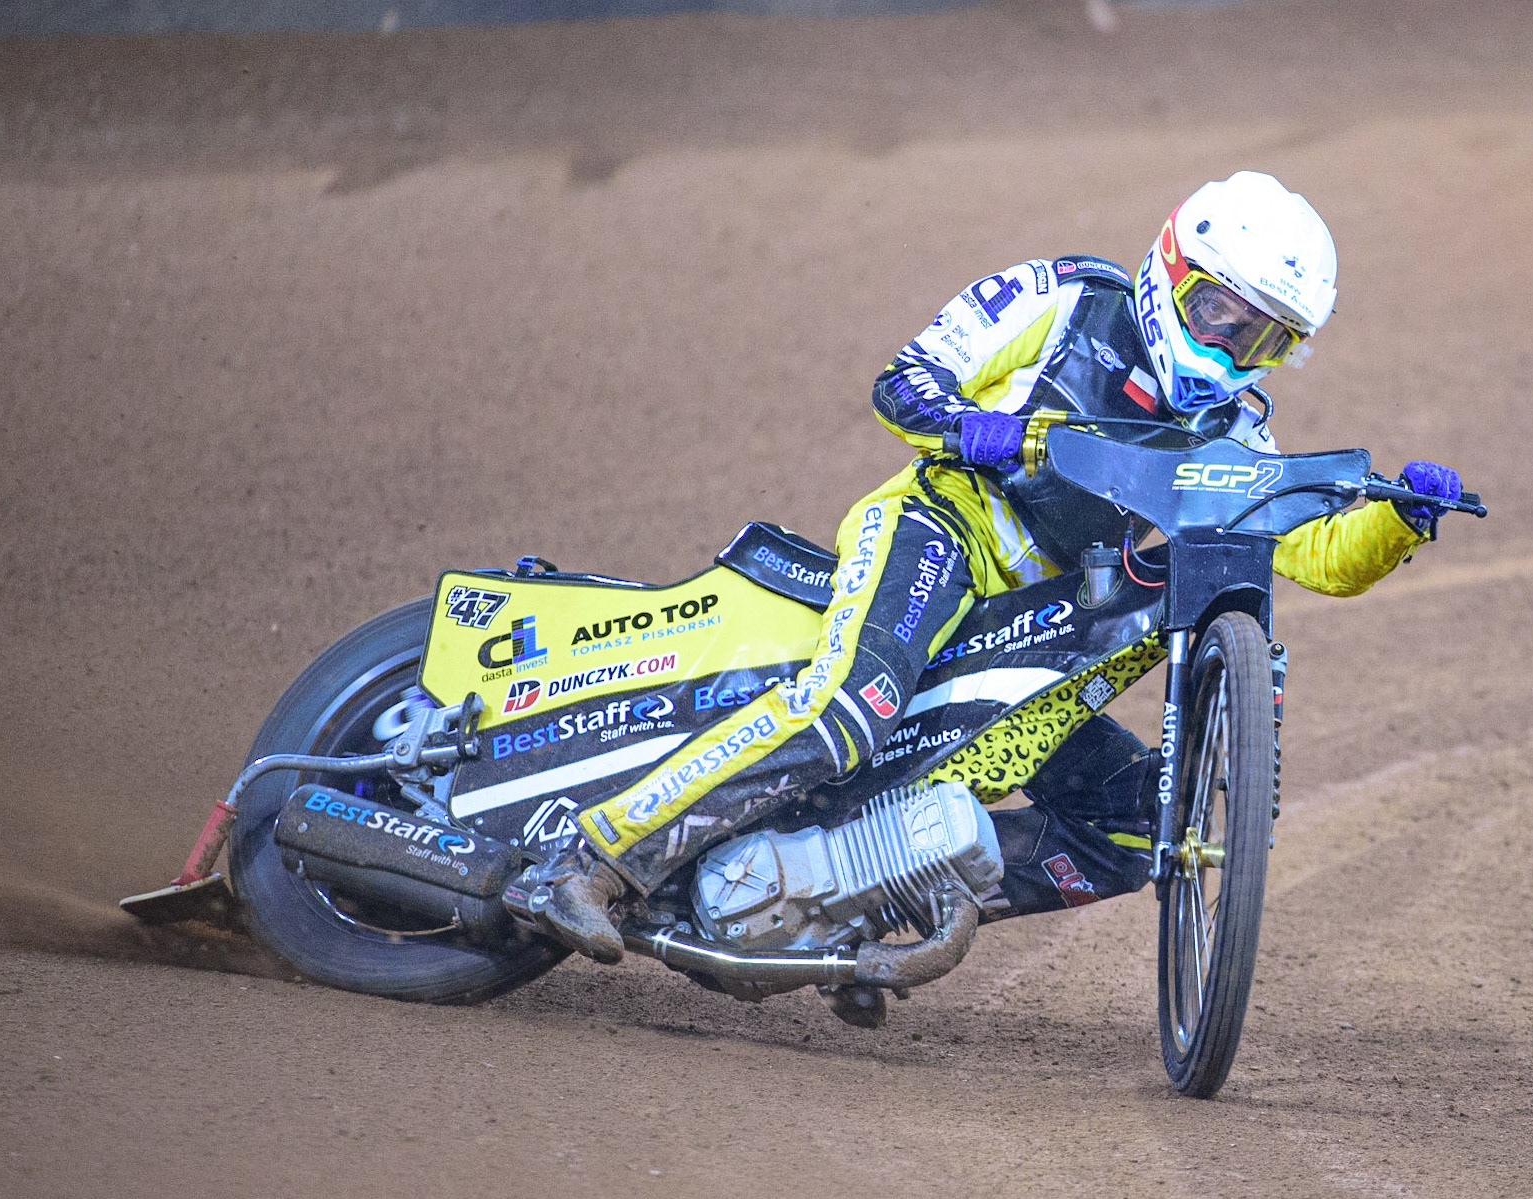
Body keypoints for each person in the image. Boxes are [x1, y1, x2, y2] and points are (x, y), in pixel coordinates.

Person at [530, 171, 1465, 964]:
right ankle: (592, 861)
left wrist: (1397, 520)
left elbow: (1313, 553)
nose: (1228, 349)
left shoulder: (1233, 430)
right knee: (849, 705)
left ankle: (855, 910)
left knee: (1141, 823)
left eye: (1261, 340)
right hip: (941, 527)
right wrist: (974, 427)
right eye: (1217, 313)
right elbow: (903, 380)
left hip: (1029, 632)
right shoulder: (1063, 298)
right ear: (1173, 269)